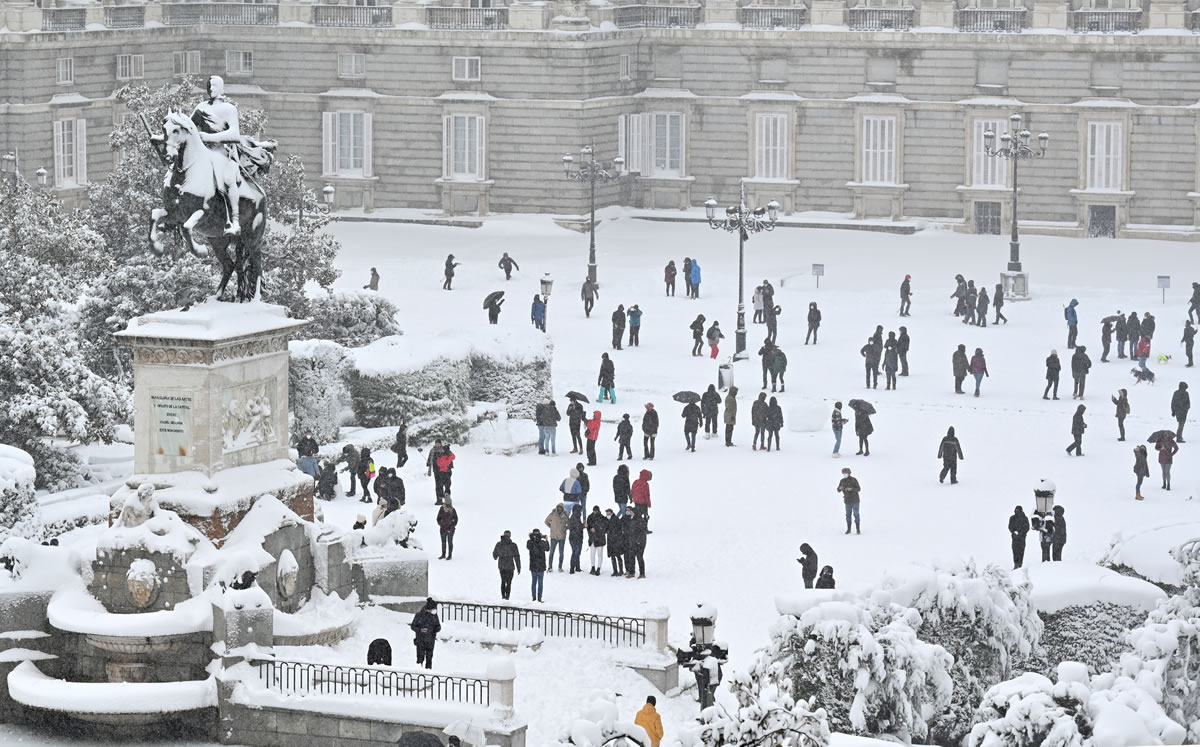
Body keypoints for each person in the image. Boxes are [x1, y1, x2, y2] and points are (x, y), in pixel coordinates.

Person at [410, 598, 441, 669]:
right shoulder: (419, 615)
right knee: (420, 658)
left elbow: (438, 626)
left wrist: (434, 629)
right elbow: (413, 626)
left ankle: (428, 673)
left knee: (429, 659)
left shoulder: (434, 616)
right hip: (420, 640)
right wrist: (420, 630)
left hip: (430, 641)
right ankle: (419, 672)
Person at [492, 530, 521, 600]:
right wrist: (518, 567)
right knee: (509, 583)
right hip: (510, 566)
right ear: (510, 536)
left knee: (503, 581)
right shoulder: (513, 545)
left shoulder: (499, 544)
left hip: (502, 566)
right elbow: (517, 557)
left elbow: (494, 556)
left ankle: (503, 596)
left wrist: (499, 553)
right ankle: (507, 597)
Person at [544, 502, 569, 572]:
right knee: (551, 552)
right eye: (558, 508)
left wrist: (565, 528)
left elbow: (569, 524)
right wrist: (551, 527)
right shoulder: (553, 514)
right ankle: (550, 567)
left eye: (560, 508)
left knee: (561, 553)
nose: (559, 509)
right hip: (553, 537)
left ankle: (560, 567)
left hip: (562, 537)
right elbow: (546, 521)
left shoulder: (565, 515)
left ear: (563, 509)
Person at [838, 467, 861, 535]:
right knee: (848, 515)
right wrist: (840, 488)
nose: (845, 474)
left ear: (849, 473)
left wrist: (852, 489)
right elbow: (838, 489)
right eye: (843, 473)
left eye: (846, 473)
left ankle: (858, 529)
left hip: (855, 500)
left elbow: (859, 489)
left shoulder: (854, 480)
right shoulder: (842, 481)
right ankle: (848, 529)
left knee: (856, 514)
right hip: (847, 501)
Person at [527, 529, 549, 602]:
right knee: (539, 583)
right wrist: (546, 540)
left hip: (534, 565)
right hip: (540, 565)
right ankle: (539, 598)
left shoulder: (530, 542)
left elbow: (547, 549)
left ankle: (534, 598)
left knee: (534, 582)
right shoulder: (539, 542)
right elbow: (547, 548)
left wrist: (533, 538)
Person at [625, 511, 648, 578]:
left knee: (639, 557)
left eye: (632, 512)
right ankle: (631, 572)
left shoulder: (640, 520)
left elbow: (642, 532)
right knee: (631, 557)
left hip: (640, 542)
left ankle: (642, 573)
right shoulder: (632, 520)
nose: (631, 513)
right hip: (632, 542)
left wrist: (638, 540)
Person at [586, 505, 607, 575]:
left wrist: (597, 529)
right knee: (592, 554)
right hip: (592, 538)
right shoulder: (589, 517)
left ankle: (598, 568)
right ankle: (592, 567)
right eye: (594, 510)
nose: (595, 512)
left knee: (599, 554)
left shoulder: (602, 518)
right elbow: (587, 526)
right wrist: (590, 529)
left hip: (600, 539)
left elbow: (604, 528)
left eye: (596, 511)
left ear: (598, 510)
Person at [605, 508, 626, 576]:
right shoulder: (607, 519)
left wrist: (616, 536)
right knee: (612, 556)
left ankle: (621, 570)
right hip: (610, 540)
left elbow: (619, 530)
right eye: (607, 514)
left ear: (611, 512)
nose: (607, 515)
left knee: (618, 556)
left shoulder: (616, 519)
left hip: (616, 540)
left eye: (608, 513)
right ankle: (615, 571)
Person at [567, 505, 585, 574]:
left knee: (577, 552)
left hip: (575, 537)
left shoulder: (575, 516)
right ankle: (572, 568)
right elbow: (577, 527)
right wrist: (583, 526)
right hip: (575, 538)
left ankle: (577, 567)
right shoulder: (575, 517)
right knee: (575, 552)